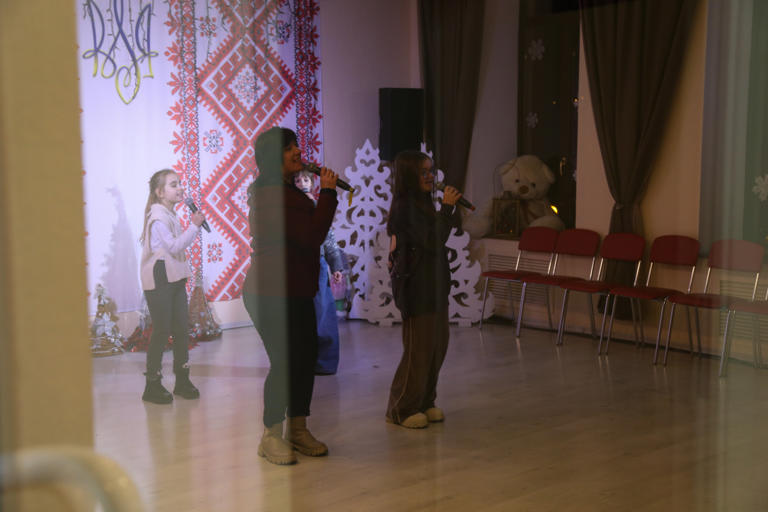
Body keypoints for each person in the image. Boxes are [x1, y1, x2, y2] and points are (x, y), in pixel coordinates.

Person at [242, 127, 338, 465]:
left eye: (297, 145)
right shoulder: (270, 196)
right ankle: (270, 435)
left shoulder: (287, 192)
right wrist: (328, 193)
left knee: (303, 357)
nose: (298, 151)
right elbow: (312, 238)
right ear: (273, 158)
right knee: (285, 362)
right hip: (269, 293)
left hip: (295, 290)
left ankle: (297, 429)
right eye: (289, 148)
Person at [385, 151, 461, 428]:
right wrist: (449, 209)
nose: (431, 177)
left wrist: (445, 211)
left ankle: (425, 401)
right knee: (418, 350)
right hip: (416, 288)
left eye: (431, 171)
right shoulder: (406, 207)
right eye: (424, 173)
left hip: (434, 285)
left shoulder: (424, 204)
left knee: (437, 347)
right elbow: (433, 240)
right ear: (409, 177)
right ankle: (401, 408)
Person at [139, 169, 206, 404]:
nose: (180, 188)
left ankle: (182, 380)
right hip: (160, 276)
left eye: (180, 184)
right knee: (161, 329)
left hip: (175, 275)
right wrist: (195, 226)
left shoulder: (171, 214)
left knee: (180, 329)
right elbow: (175, 246)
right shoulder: (157, 218)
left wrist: (193, 226)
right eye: (173, 185)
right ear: (159, 192)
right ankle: (152, 385)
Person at [293, 170, 344, 375]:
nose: (301, 182)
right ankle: (302, 360)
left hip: (318, 262)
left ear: (312, 183)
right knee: (301, 314)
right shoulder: (291, 207)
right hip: (297, 263)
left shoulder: (316, 206)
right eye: (297, 180)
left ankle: (325, 361)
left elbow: (328, 236)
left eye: (305, 179)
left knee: (322, 312)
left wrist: (336, 265)